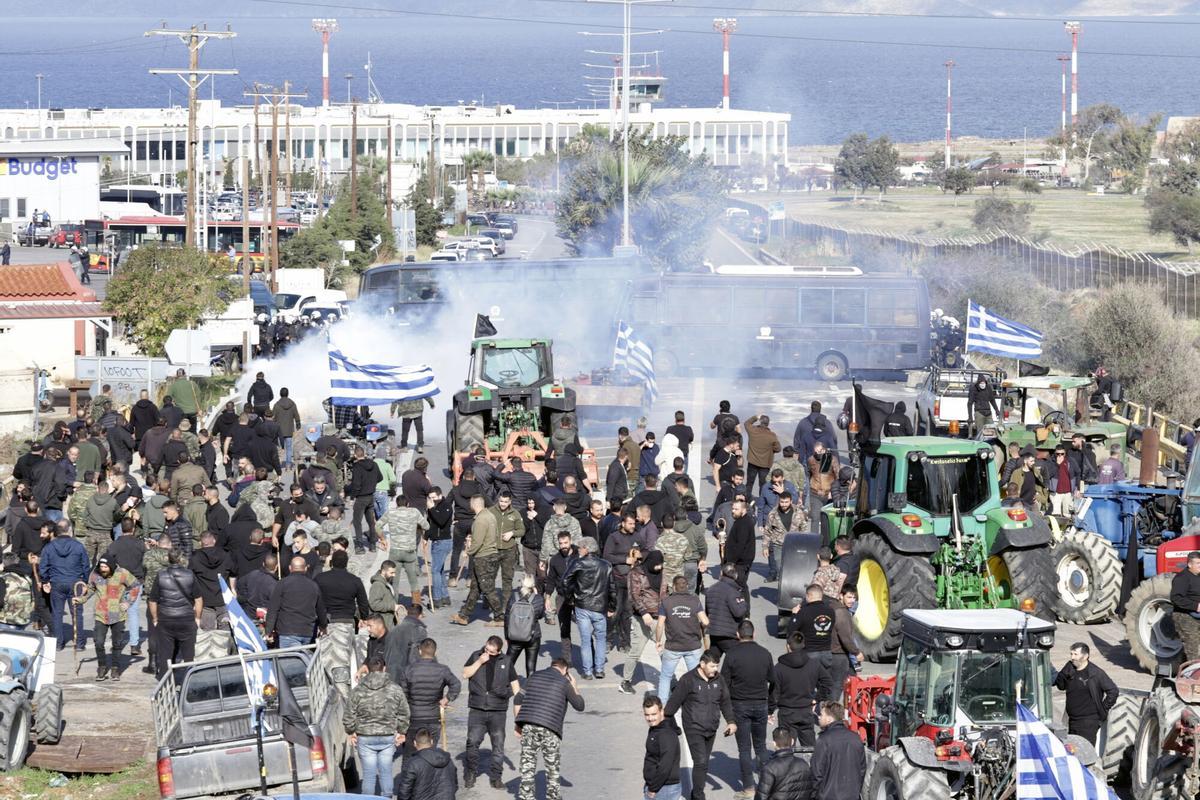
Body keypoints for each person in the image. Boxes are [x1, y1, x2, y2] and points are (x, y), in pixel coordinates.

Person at [664, 651, 736, 800]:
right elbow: (672, 705)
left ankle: (695, 792)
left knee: (703, 763)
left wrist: (731, 721)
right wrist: (669, 725)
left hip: (711, 728)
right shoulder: (688, 680)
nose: (715, 669)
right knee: (701, 761)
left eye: (717, 665)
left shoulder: (719, 679)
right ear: (702, 664)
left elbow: (725, 701)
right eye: (712, 666)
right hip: (693, 727)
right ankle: (698, 796)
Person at [514, 658, 585, 800]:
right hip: (550, 729)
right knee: (552, 769)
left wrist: (518, 725)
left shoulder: (533, 676)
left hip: (528, 725)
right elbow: (579, 705)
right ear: (565, 670)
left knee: (527, 767)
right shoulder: (564, 683)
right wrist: (574, 685)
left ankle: (526, 796)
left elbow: (517, 699)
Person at [721, 620, 776, 796]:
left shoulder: (731, 654)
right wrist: (770, 706)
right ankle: (766, 787)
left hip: (740, 705)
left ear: (738, 635)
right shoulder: (765, 653)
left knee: (744, 749)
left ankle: (748, 788)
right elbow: (774, 681)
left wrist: (727, 707)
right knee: (760, 747)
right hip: (760, 703)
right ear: (754, 634)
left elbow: (724, 683)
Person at [346, 655, 411, 798]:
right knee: (386, 771)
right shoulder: (395, 689)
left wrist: (351, 731)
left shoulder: (357, 691)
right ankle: (386, 797)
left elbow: (349, 714)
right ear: (385, 668)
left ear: (367, 670)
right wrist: (401, 731)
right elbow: (404, 712)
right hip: (387, 736)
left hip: (365, 737)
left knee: (369, 775)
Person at [462, 635, 515, 789]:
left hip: (498, 710)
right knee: (472, 742)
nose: (487, 653)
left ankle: (496, 777)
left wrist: (507, 695)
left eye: (491, 652)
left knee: (498, 746)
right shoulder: (475, 656)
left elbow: (515, 685)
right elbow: (465, 673)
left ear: (498, 651)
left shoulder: (506, 661)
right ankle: (471, 772)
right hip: (477, 708)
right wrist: (479, 661)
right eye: (486, 649)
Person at [76, 555, 141, 681]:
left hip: (118, 614)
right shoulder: (95, 574)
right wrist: (81, 599)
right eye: (101, 566)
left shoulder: (122, 573)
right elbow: (91, 589)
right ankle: (102, 666)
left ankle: (115, 668)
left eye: (105, 567)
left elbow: (136, 586)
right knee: (98, 642)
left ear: (111, 566)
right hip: (101, 614)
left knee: (117, 644)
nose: (103, 569)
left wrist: (128, 602)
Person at [399, 638, 462, 763]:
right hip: (433, 717)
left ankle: (408, 780)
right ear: (435, 652)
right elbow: (456, 684)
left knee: (409, 757)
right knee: (429, 755)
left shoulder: (409, 670)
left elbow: (402, 695)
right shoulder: (442, 670)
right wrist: (447, 698)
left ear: (420, 651)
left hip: (413, 718)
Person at [563, 536, 615, 680]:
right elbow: (612, 588)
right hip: (600, 607)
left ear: (586, 549)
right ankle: (599, 669)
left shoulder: (578, 563)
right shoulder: (606, 565)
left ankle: (587, 671)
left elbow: (565, 581)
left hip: (582, 605)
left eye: (580, 547)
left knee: (585, 640)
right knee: (600, 639)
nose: (578, 550)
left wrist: (570, 598)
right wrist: (612, 606)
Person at [451, 495, 505, 627]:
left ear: (474, 504)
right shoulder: (490, 516)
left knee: (487, 589)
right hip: (489, 555)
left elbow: (478, 542)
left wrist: (467, 552)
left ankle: (499, 617)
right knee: (475, 588)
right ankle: (464, 615)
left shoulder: (480, 520)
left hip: (483, 557)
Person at [148, 551, 203, 679]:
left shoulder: (161, 575)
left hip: (166, 618)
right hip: (186, 619)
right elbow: (198, 599)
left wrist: (155, 619)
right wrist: (198, 618)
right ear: (180, 559)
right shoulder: (189, 575)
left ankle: (165, 684)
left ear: (168, 559)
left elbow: (153, 600)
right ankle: (190, 684)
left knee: (165, 655)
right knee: (189, 655)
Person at [772, 632, 832, 747]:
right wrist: (818, 698)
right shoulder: (814, 664)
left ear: (788, 646)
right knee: (810, 748)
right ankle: (812, 764)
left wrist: (770, 710)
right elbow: (827, 682)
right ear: (803, 645)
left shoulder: (779, 667)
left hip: (786, 712)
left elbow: (775, 692)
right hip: (806, 711)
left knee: (786, 748)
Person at [1052, 642, 1118, 746]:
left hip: (1088, 722)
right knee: (1071, 750)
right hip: (1071, 720)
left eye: (1075, 654)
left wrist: (1103, 709)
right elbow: (1061, 686)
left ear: (1086, 656)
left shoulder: (1095, 673)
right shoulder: (1070, 668)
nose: (1072, 657)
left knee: (1085, 752)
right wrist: (1064, 673)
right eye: (1071, 654)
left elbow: (1113, 691)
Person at [40, 521, 90, 651]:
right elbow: (86, 565)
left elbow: (43, 566)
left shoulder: (49, 547)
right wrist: (84, 580)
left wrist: (45, 581)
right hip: (75, 582)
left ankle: (58, 643)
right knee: (77, 614)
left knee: (57, 614)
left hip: (57, 582)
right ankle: (79, 643)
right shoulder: (78, 546)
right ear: (68, 531)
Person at [657, 574, 709, 701]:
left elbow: (660, 625)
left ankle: (662, 705)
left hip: (673, 646)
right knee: (697, 676)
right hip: (693, 645)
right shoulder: (694, 600)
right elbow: (705, 621)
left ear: (674, 587)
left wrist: (658, 641)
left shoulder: (666, 602)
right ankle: (699, 701)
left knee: (665, 677)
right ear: (686, 587)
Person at [622, 546, 664, 694]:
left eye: (661, 564)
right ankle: (626, 681)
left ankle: (669, 680)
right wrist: (643, 612)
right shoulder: (636, 573)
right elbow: (634, 595)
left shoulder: (662, 573)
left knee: (666, 649)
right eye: (657, 564)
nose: (659, 567)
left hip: (659, 618)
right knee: (636, 651)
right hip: (641, 618)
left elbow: (666, 592)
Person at [265, 556, 328, 647]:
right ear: (305, 568)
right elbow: (321, 609)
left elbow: (273, 609)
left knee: (291, 660)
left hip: (287, 631)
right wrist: (323, 626)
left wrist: (269, 631)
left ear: (290, 568)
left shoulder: (282, 584)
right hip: (307, 632)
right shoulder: (314, 586)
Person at [380, 495, 430, 609]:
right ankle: (417, 607)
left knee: (394, 581)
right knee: (413, 581)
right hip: (409, 552)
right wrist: (415, 526)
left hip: (395, 552)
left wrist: (383, 539)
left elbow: (378, 525)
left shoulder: (391, 512)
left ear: (397, 504)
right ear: (408, 504)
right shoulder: (414, 512)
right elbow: (426, 526)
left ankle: (394, 607)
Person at [812, 701, 866, 800]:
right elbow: (862, 770)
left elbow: (817, 773)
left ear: (829, 719)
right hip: (852, 796)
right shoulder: (856, 738)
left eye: (821, 715)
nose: (819, 717)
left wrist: (814, 796)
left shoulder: (823, 740)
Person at [543, 531, 578, 669]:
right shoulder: (555, 560)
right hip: (562, 596)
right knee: (564, 628)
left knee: (585, 628)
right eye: (561, 543)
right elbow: (550, 579)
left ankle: (590, 656)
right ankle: (567, 659)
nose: (563, 546)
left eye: (566, 543)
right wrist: (547, 597)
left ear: (570, 541)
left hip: (578, 596)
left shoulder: (579, 555)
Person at [788, 585, 835, 680]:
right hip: (826, 652)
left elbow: (791, 631)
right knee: (824, 681)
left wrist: (794, 615)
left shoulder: (804, 611)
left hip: (810, 652)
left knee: (808, 682)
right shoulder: (831, 611)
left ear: (808, 596)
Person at [396, 727, 458, 800]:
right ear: (431, 742)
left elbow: (404, 792)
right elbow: (454, 784)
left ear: (415, 743)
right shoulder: (447, 759)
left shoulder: (413, 763)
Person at [756, 727, 815, 800]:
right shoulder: (804, 764)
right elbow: (811, 791)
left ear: (774, 744)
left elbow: (761, 796)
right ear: (792, 741)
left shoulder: (769, 767)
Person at [643, 694, 683, 800]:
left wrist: (653, 788)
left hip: (664, 789)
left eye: (653, 714)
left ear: (661, 712)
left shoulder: (666, 735)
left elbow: (665, 765)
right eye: (647, 715)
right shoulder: (656, 728)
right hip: (658, 786)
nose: (650, 718)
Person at [705, 563, 749, 656]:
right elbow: (739, 612)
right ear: (735, 576)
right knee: (737, 660)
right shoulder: (733, 592)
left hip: (713, 632)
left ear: (721, 573)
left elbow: (708, 611)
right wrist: (744, 603)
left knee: (713, 660)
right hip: (729, 634)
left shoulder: (711, 589)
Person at [507, 574, 545, 676]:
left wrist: (507, 636)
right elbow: (541, 615)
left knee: (508, 665)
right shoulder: (538, 599)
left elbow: (507, 618)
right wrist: (537, 595)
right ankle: (529, 689)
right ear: (533, 585)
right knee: (531, 667)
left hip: (515, 636)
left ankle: (504, 687)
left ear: (521, 583)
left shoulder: (513, 596)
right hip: (533, 636)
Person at [349, 446, 383, 553]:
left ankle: (359, 546)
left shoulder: (357, 467)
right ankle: (372, 544)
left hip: (361, 498)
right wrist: (371, 484)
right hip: (371, 496)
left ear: (355, 455)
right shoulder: (374, 464)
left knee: (357, 522)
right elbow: (380, 478)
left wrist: (352, 497)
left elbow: (356, 484)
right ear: (364, 454)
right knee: (371, 522)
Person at [386, 602, 428, 685]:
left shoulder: (393, 630)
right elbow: (418, 655)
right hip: (409, 675)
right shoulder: (420, 631)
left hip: (392, 673)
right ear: (420, 615)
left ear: (407, 613)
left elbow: (386, 653)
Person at [744, 415, 782, 498]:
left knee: (749, 483)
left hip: (752, 462)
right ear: (768, 424)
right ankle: (761, 501)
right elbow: (778, 449)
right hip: (765, 464)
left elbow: (746, 423)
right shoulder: (772, 435)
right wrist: (770, 449)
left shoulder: (753, 430)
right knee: (763, 485)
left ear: (760, 422)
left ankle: (746, 500)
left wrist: (755, 417)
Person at [806, 442, 839, 535]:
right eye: (815, 452)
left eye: (819, 451)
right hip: (815, 493)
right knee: (815, 517)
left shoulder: (832, 460)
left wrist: (833, 491)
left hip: (828, 494)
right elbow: (808, 474)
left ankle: (826, 540)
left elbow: (838, 477)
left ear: (824, 450)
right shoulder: (811, 460)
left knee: (827, 519)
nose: (817, 454)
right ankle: (813, 540)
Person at [1173, 552, 1200, 662]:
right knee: (1193, 647)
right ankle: (1193, 676)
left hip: (1197, 615)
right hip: (1185, 616)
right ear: (1190, 564)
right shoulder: (1182, 578)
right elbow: (1175, 598)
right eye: (1198, 563)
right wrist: (1195, 606)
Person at [792, 402, 836, 466]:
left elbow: (797, 439)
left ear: (811, 408)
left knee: (808, 474)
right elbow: (834, 440)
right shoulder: (827, 423)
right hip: (823, 458)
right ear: (820, 409)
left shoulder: (803, 422)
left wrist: (796, 452)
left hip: (807, 458)